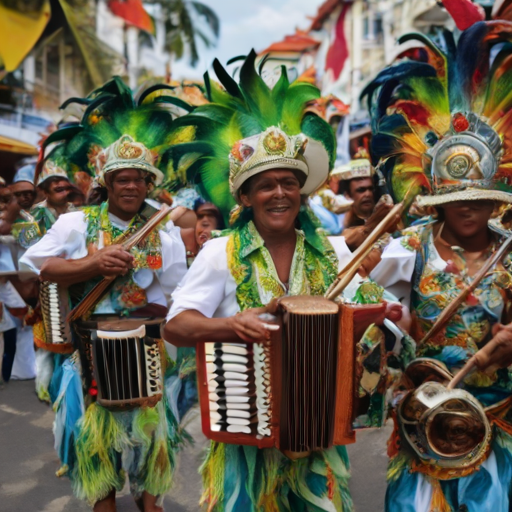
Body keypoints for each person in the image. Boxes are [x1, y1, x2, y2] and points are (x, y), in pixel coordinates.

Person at [164, 51, 361, 512]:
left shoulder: (334, 252)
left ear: (302, 191)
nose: (279, 193)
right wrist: (233, 325)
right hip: (246, 430)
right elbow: (176, 326)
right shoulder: (220, 252)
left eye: (289, 183)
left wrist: (385, 318)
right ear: (246, 197)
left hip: (320, 430)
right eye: (266, 184)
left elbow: (369, 321)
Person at [20, 77, 192, 512]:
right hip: (88, 353)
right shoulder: (76, 224)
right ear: (107, 182)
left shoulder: (165, 232)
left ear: (149, 184)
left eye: (139, 180)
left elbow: (177, 295)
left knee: (155, 445)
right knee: (96, 451)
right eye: (122, 179)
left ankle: (150, 504)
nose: (131, 187)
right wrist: (90, 266)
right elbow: (34, 265)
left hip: (148, 352)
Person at [363, 21, 512, 512]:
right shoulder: (408, 248)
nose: (468, 208)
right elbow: (375, 323)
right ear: (438, 202)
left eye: (479, 198)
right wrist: (387, 334)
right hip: (422, 420)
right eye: (457, 199)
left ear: (495, 201)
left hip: (499, 419)